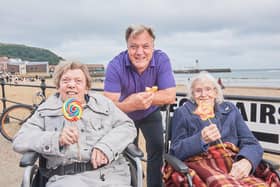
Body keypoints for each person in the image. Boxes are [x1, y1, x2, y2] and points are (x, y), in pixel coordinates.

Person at [13, 61, 137, 187]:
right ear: (58, 85)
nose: (71, 85)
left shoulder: (104, 104)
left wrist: (106, 147)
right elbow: (20, 140)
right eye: (66, 80)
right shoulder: (45, 110)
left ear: (87, 87)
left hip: (111, 174)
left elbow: (127, 126)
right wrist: (56, 139)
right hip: (65, 177)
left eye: (78, 81)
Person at [165, 71, 280, 186]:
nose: (204, 94)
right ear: (193, 95)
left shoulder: (230, 109)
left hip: (234, 163)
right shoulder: (183, 113)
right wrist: (201, 139)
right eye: (198, 91)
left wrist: (247, 161)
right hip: (203, 164)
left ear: (215, 92)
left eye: (208, 89)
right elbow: (176, 151)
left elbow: (251, 142)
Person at [104, 24, 176, 187]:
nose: (140, 52)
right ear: (127, 47)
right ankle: (133, 181)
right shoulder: (115, 65)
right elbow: (108, 105)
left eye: (145, 46)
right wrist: (131, 103)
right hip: (124, 114)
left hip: (150, 112)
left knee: (157, 147)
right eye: (134, 47)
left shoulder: (161, 59)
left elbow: (170, 95)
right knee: (129, 151)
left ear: (153, 47)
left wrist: (143, 100)